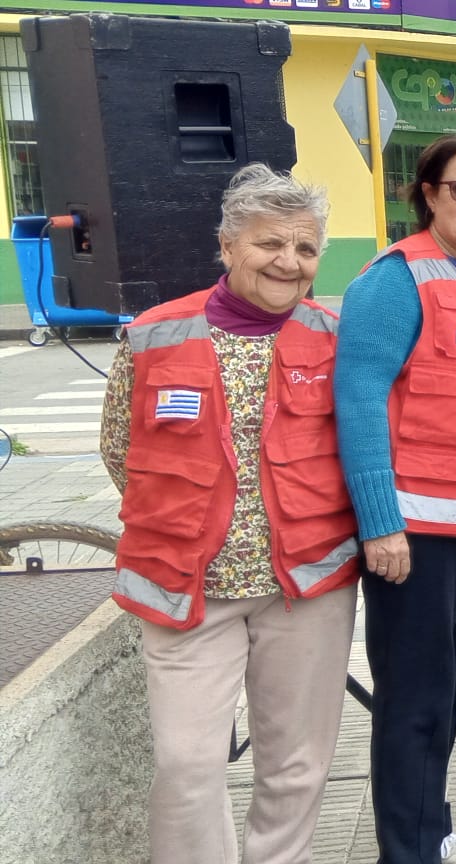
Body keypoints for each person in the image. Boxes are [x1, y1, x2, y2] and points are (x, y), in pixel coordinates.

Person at [101, 164, 358, 864]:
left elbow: (365, 447)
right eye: (270, 243)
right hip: (188, 587)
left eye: (306, 249)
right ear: (227, 245)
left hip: (305, 588)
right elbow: (120, 449)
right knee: (186, 767)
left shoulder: (337, 337)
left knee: (296, 764)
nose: (289, 262)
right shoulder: (155, 335)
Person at [334, 134, 456, 864]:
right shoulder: (396, 281)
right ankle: (408, 853)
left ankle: (426, 831)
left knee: (449, 689)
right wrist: (379, 524)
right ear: (428, 194)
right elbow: (357, 400)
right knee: (414, 702)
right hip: (410, 538)